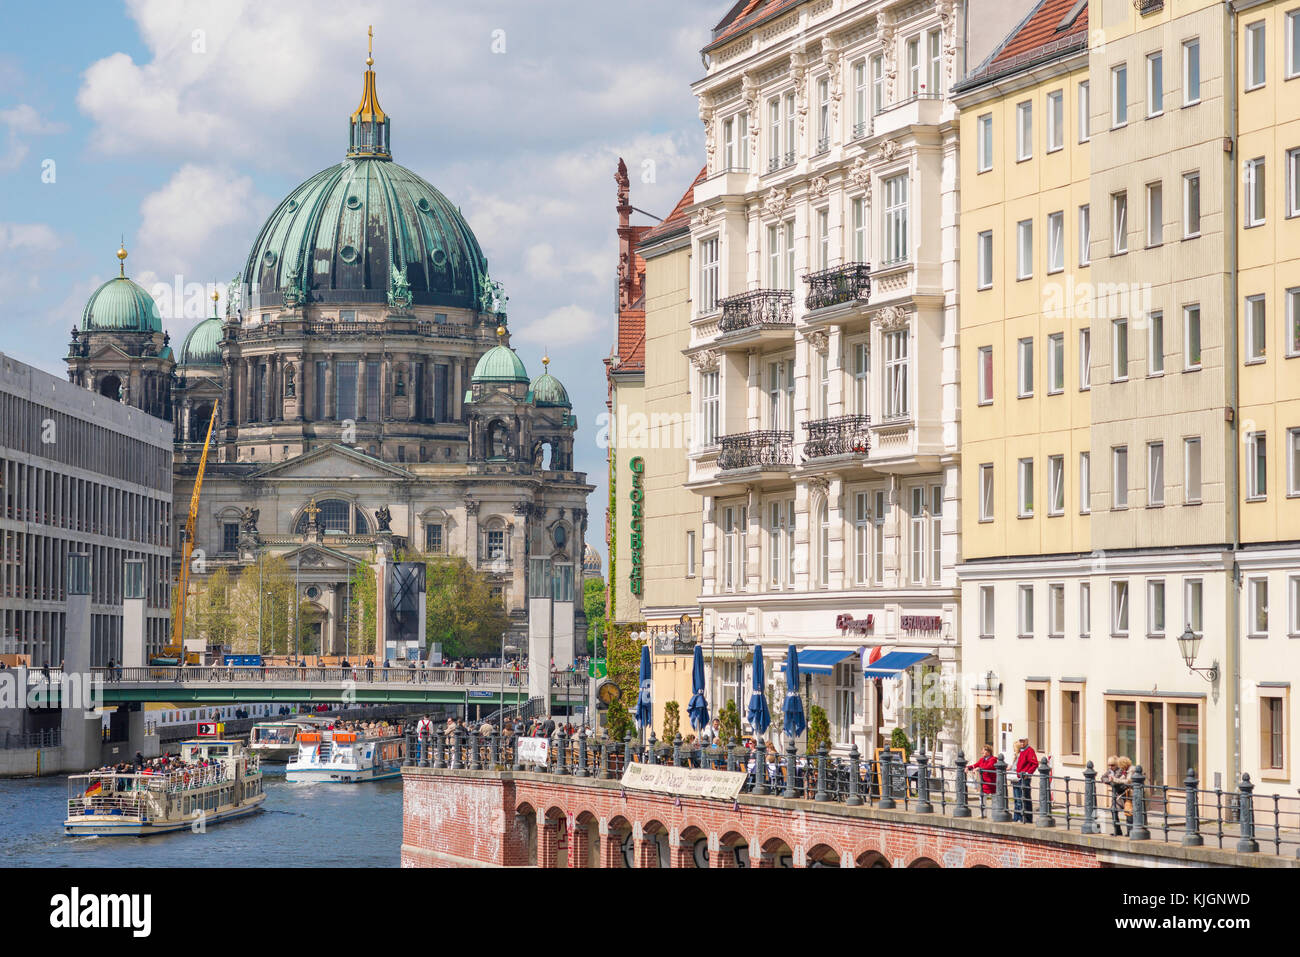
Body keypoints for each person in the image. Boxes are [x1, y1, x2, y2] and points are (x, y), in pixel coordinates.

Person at [1013, 737, 1037, 824]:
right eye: (1020, 741)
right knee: (1018, 798)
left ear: (1027, 741)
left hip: (1024, 777)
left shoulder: (1029, 750)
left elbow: (1035, 764)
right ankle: (1018, 817)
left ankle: (1027, 819)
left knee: (1025, 798)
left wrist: (1028, 773)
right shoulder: (1021, 750)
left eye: (1023, 741)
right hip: (1019, 777)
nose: (1022, 743)